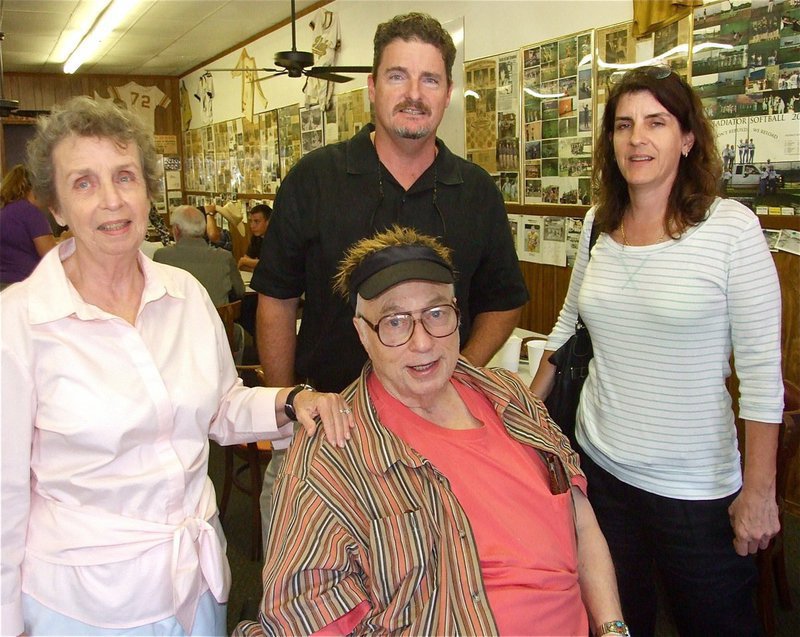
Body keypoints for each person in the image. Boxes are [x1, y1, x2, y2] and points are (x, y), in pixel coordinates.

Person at [0, 96, 355, 637]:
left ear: (148, 191)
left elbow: (222, 405)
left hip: (196, 590)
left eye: (125, 177)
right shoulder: (19, 322)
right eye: (84, 183)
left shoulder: (184, 294)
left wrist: (291, 399)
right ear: (55, 206)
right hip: (84, 606)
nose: (111, 202)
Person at [236, 226, 627, 637]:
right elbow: (304, 615)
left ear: (458, 315)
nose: (422, 342)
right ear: (363, 334)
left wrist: (613, 627)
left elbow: (580, 521)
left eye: (437, 314)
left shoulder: (512, 398)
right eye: (395, 322)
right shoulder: (335, 449)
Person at [252, 12, 528, 544]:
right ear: (372, 87)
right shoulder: (314, 179)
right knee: (304, 598)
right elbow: (277, 299)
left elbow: (504, 300)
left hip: (438, 442)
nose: (414, 94)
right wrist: (287, 405)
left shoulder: (475, 192)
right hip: (325, 434)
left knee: (426, 592)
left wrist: (451, 372)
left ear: (447, 93)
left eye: (430, 79)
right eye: (398, 76)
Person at [530, 66, 782, 637]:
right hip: (601, 472)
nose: (636, 139)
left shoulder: (731, 230)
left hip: (694, 490)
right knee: (621, 621)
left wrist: (760, 493)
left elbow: (764, 374)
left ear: (687, 138)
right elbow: (569, 324)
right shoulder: (598, 224)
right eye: (623, 125)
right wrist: (522, 409)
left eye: (655, 122)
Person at [153, 205, 245, 307]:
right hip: (216, 320)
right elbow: (240, 291)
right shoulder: (224, 257)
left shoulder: (162, 256)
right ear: (204, 227)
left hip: (178, 321)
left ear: (176, 229)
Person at [0, 164, 56, 290]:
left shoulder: (4, 212)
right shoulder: (30, 212)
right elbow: (51, 255)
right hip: (26, 286)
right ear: (35, 189)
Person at [237, 203, 270, 272]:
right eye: (251, 221)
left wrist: (246, 261)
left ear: (268, 222)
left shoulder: (278, 239)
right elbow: (242, 265)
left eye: (256, 221)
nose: (252, 226)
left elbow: (271, 264)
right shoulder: (256, 237)